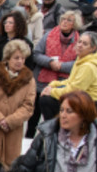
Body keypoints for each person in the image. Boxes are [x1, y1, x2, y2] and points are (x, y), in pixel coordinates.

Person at [0, 39, 36, 165]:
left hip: (12, 131)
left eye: (22, 58)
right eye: (16, 58)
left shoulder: (29, 80)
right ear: (8, 58)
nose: (20, 61)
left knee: (7, 167)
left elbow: (28, 107)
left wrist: (10, 121)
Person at [26, 10, 81, 138]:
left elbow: (78, 63)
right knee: (34, 115)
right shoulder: (49, 35)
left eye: (69, 20)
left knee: (53, 116)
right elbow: (36, 54)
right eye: (63, 19)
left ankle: (51, 139)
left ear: (75, 24)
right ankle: (29, 137)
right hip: (42, 80)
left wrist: (61, 66)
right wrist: (50, 62)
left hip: (63, 84)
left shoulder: (79, 40)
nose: (65, 22)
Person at [39, 31, 97, 120]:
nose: (80, 45)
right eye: (79, 42)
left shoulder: (88, 66)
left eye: (85, 44)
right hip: (79, 98)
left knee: (46, 100)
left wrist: (52, 92)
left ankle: (56, 128)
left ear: (93, 48)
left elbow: (75, 91)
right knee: (46, 95)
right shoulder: (81, 59)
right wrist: (52, 85)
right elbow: (70, 81)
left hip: (88, 103)